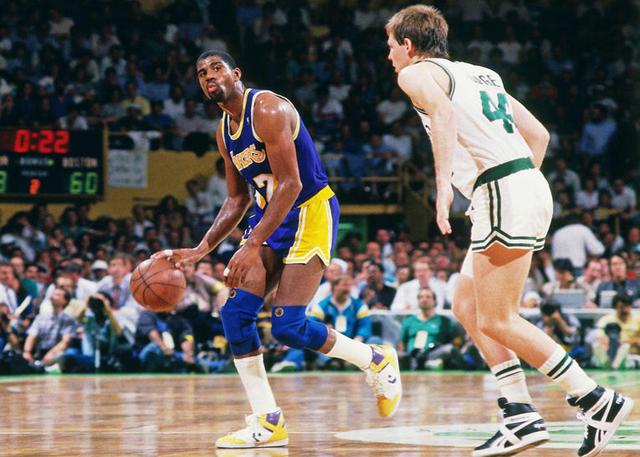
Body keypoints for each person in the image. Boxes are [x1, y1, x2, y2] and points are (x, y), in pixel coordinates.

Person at [386, 6, 633, 457]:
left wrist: (444, 189)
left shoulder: (416, 73)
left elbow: (443, 116)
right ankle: (519, 413)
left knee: (498, 318)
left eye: (390, 46)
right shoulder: (482, 73)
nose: (389, 56)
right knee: (466, 304)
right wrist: (519, 185)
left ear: (408, 44)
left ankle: (595, 398)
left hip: (501, 190)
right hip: (521, 184)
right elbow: (539, 136)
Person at [153, 50, 401, 449]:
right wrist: (200, 250)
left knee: (288, 326)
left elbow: (291, 183)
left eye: (216, 68)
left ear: (236, 74)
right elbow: (237, 199)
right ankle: (268, 421)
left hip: (309, 211)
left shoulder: (267, 109)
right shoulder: (224, 131)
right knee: (235, 314)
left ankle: (375, 359)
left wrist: (252, 244)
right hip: (270, 216)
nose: (208, 76)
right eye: (201, 73)